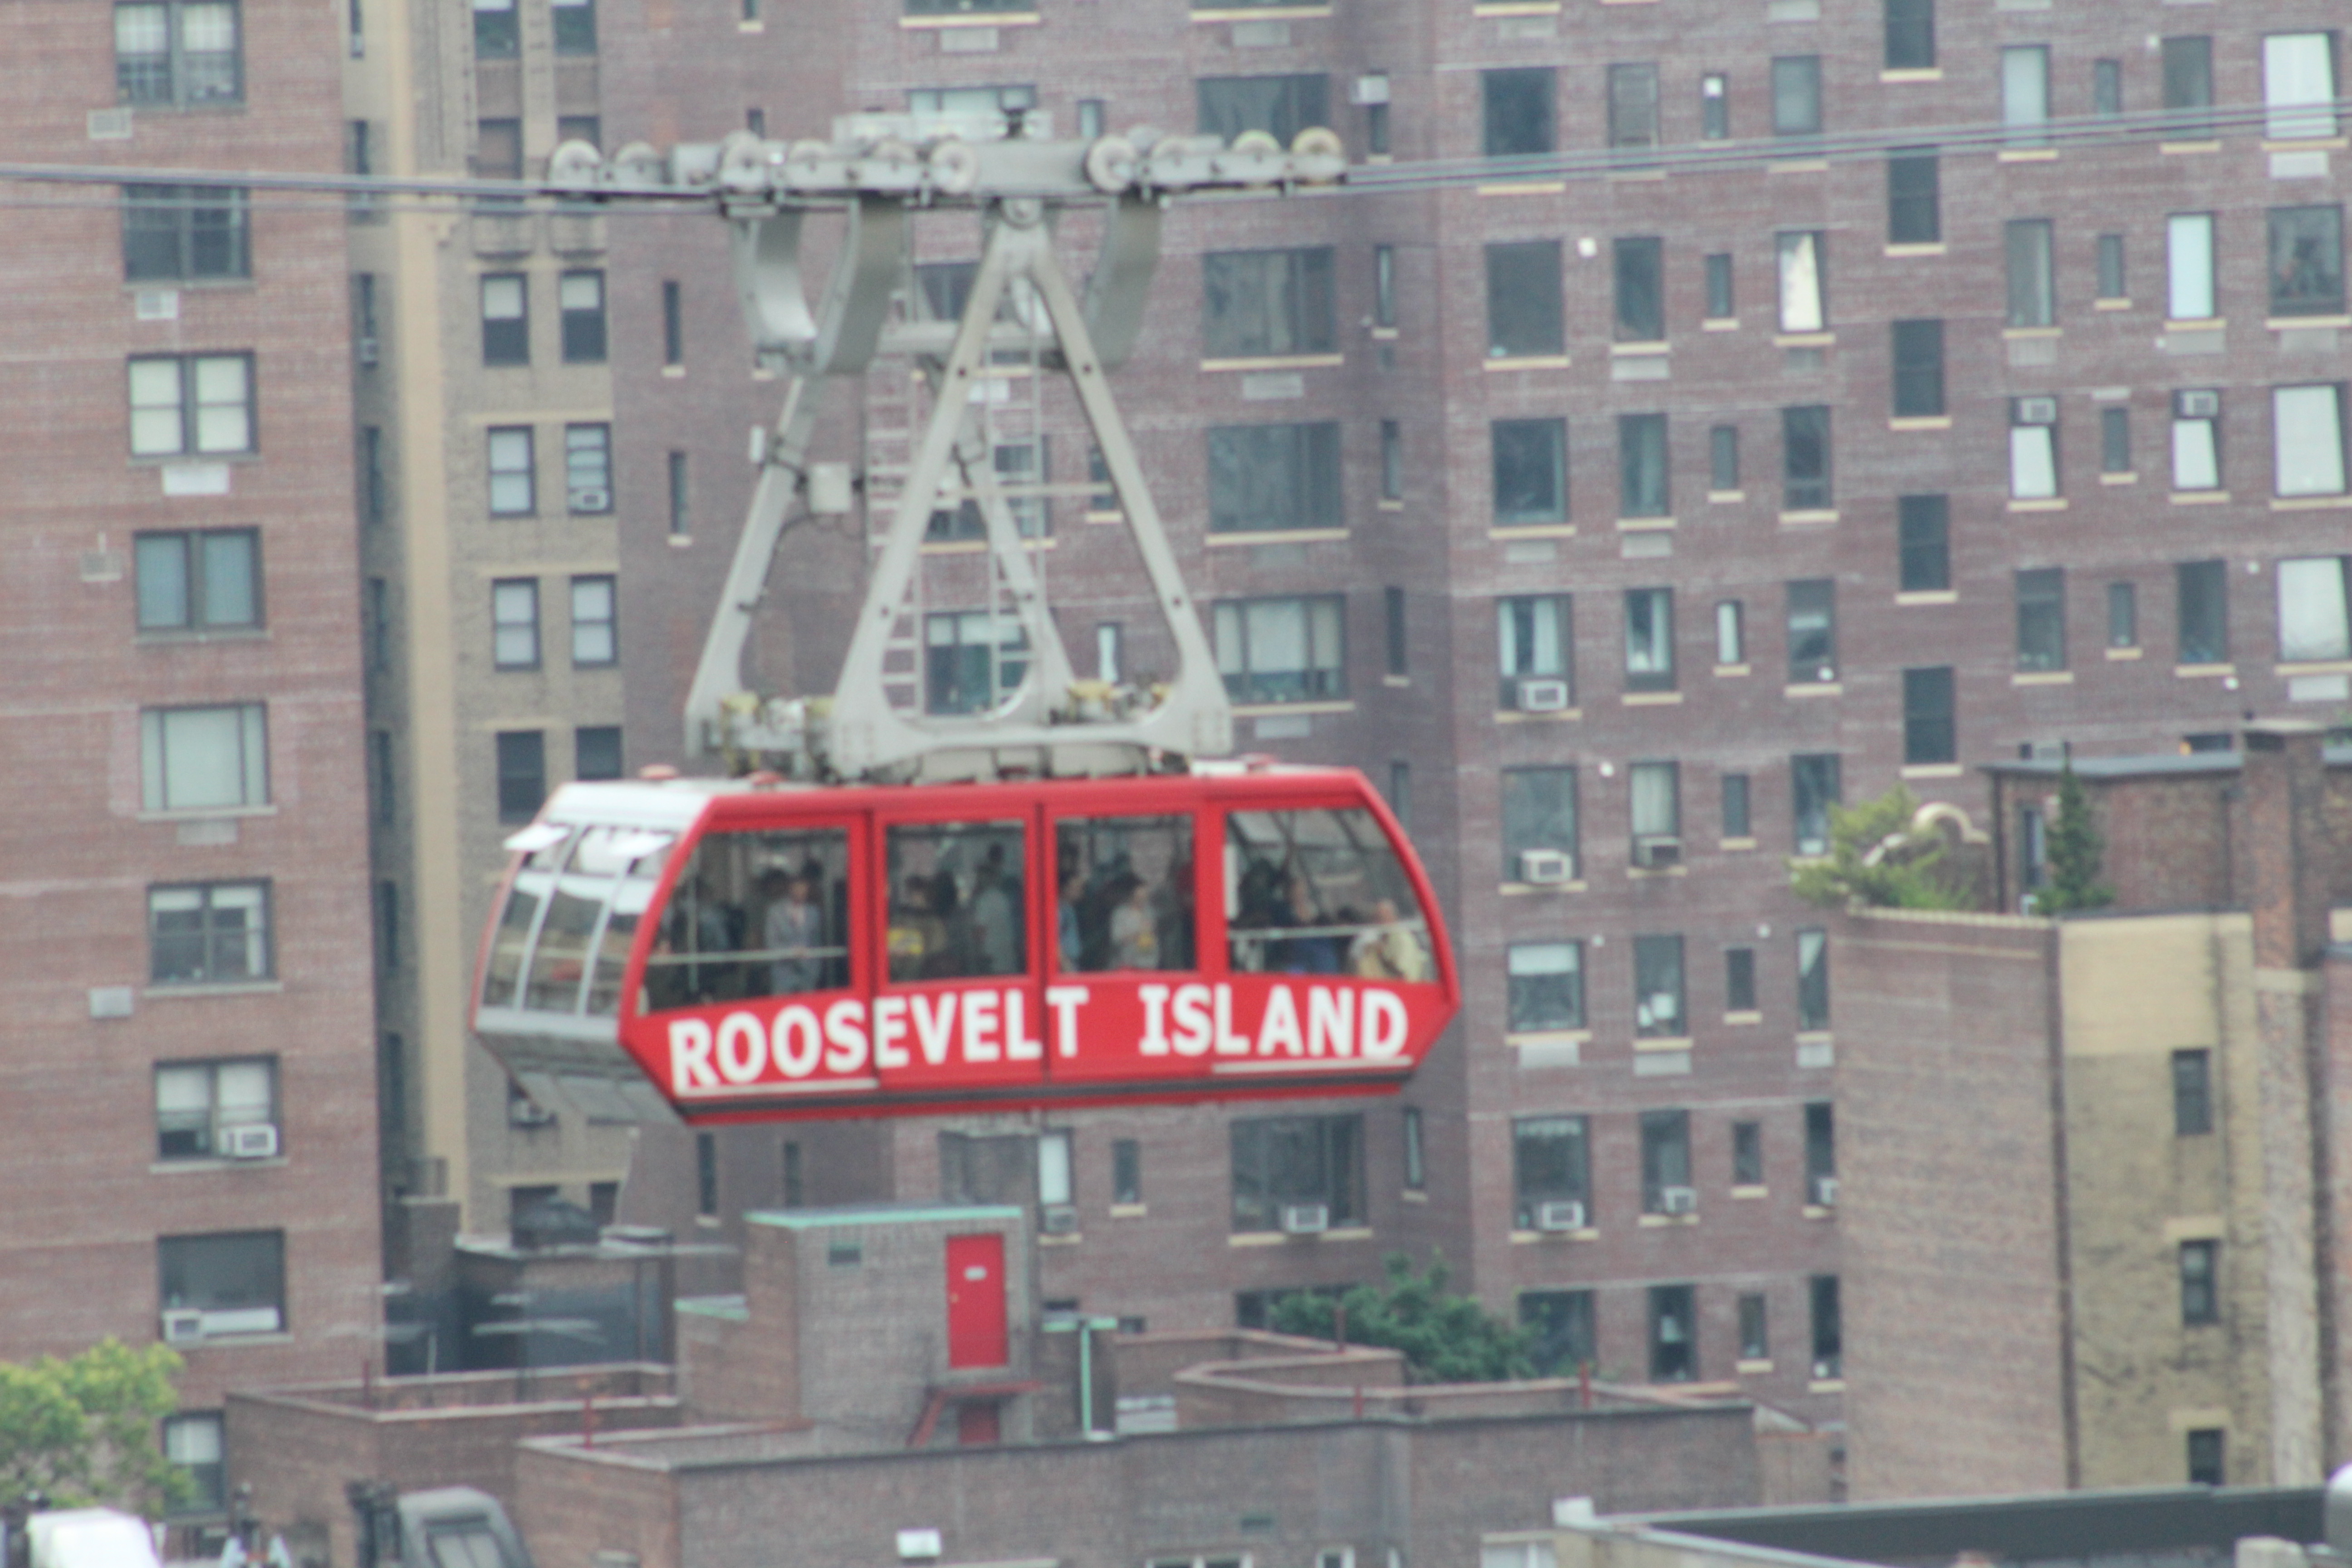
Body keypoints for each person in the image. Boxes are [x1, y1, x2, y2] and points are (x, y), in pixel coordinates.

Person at [764, 871, 824, 995]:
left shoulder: (814, 912)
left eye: (805, 889)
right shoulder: (775, 912)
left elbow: (817, 943)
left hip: (808, 976)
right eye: (798, 888)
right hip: (783, 976)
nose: (802, 892)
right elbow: (771, 943)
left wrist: (815, 971)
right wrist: (791, 952)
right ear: (790, 888)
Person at [1350, 897, 1428, 982]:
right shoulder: (1376, 937)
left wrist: (1381, 952)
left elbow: (1402, 971)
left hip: (1400, 985)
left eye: (1382, 918)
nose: (1378, 922)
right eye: (1376, 918)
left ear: (1392, 916)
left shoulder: (1402, 938)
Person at [1107, 874, 1158, 969]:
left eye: (1145, 894)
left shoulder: (1150, 912)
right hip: (1127, 964)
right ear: (1132, 894)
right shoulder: (1121, 914)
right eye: (1140, 895)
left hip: (1149, 964)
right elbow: (1116, 939)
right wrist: (1138, 934)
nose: (1143, 897)